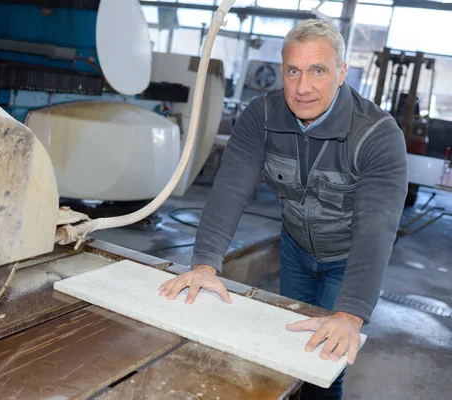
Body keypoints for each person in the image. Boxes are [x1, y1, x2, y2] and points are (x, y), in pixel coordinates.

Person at [158, 19, 407, 400]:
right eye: (293, 71)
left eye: (318, 70)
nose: (302, 87)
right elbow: (230, 189)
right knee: (293, 351)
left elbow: (377, 228)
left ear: (341, 73)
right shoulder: (262, 116)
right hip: (294, 250)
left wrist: (350, 314)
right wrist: (204, 264)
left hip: (347, 258)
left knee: (325, 361)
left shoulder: (377, 134)